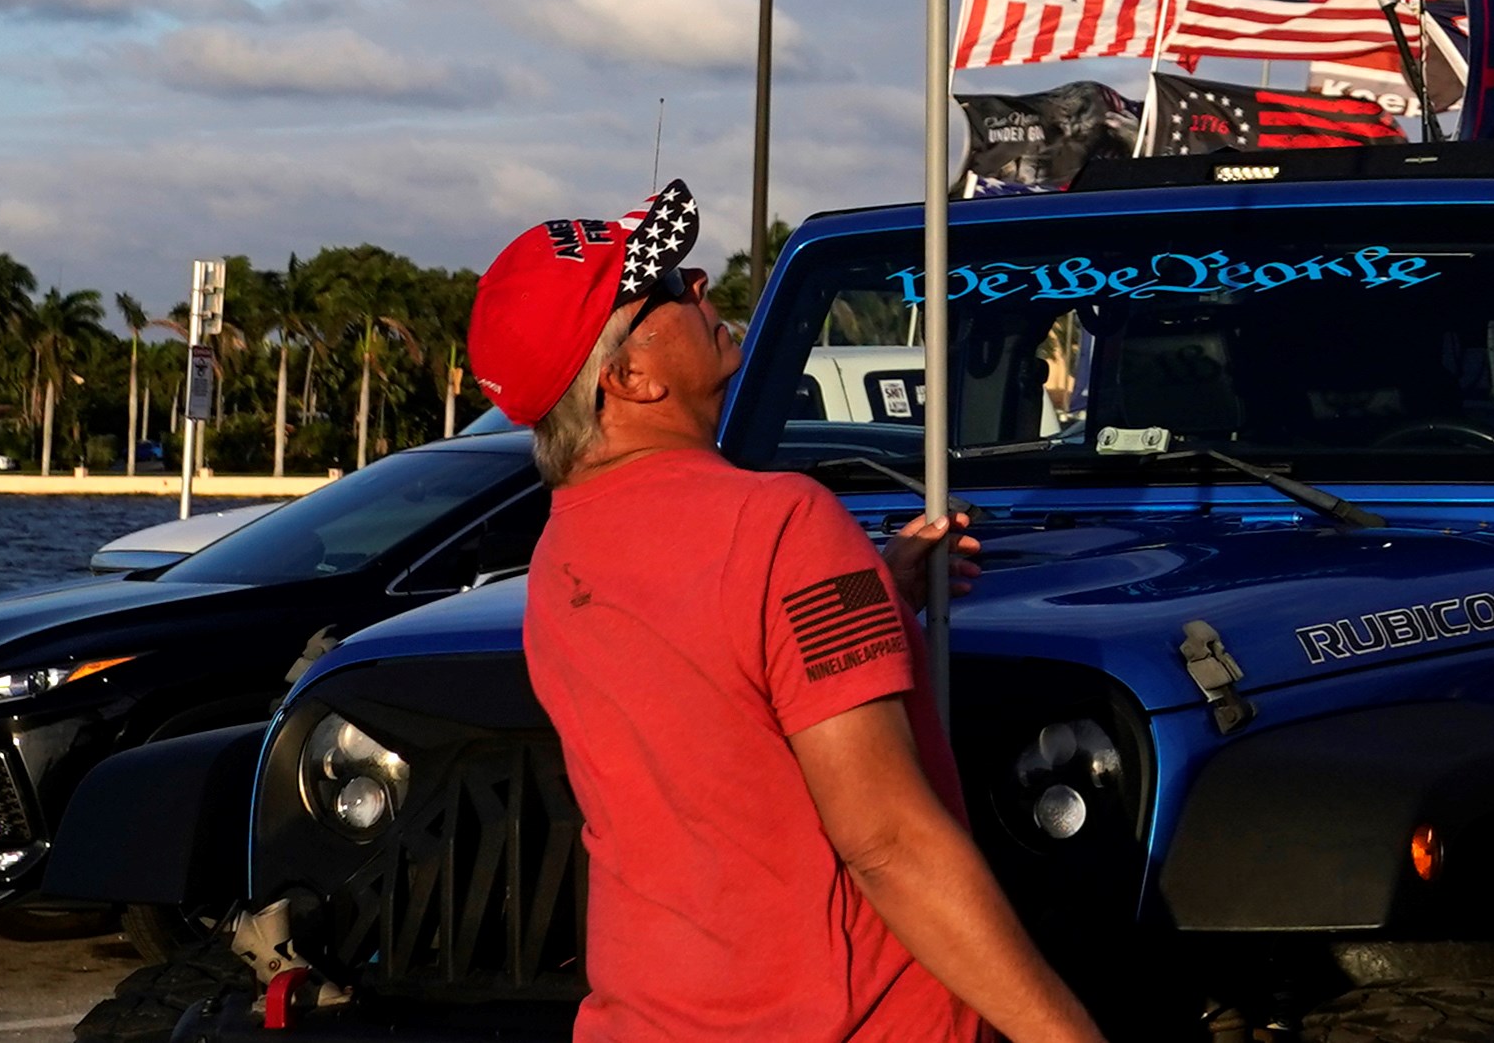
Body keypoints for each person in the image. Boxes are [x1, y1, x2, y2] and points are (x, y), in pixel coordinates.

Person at [468, 189, 1106, 1043]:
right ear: (630, 375)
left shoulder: (562, 556)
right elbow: (886, 843)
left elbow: (714, 673)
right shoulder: (783, 523)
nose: (701, 282)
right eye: (666, 285)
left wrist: (873, 591)